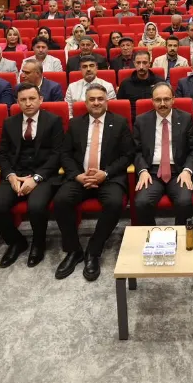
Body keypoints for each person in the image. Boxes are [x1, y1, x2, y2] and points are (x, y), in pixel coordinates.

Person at [53, 84, 135, 281]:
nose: (96, 103)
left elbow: (128, 155)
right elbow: (65, 154)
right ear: (85, 102)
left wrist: (105, 173)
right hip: (80, 176)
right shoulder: (75, 124)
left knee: (115, 203)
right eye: (92, 99)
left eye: (100, 99)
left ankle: (94, 250)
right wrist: (77, 175)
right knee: (61, 200)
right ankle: (74, 250)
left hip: (108, 177)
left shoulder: (120, 122)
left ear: (107, 101)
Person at [0, 82, 65, 272]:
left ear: (40, 100)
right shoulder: (10, 122)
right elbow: (3, 154)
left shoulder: (53, 121)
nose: (28, 103)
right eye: (23, 100)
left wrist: (36, 178)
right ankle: (16, 242)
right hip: (16, 174)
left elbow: (57, 154)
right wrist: (11, 176)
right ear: (17, 102)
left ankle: (38, 243)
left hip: (43, 175)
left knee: (36, 207)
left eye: (32, 98)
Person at [132, 82, 193, 225]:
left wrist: (187, 171)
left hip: (178, 171)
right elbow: (136, 151)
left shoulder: (186, 119)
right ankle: (152, 235)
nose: (162, 104)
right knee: (142, 202)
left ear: (173, 100)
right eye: (158, 100)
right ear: (152, 101)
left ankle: (180, 236)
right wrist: (142, 171)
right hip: (151, 172)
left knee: (185, 202)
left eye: (166, 99)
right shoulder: (141, 121)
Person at [117, 50, 164, 116]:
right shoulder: (125, 84)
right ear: (134, 63)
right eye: (138, 63)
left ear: (149, 64)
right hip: (133, 119)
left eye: (145, 63)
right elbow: (121, 108)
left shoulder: (160, 83)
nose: (141, 67)